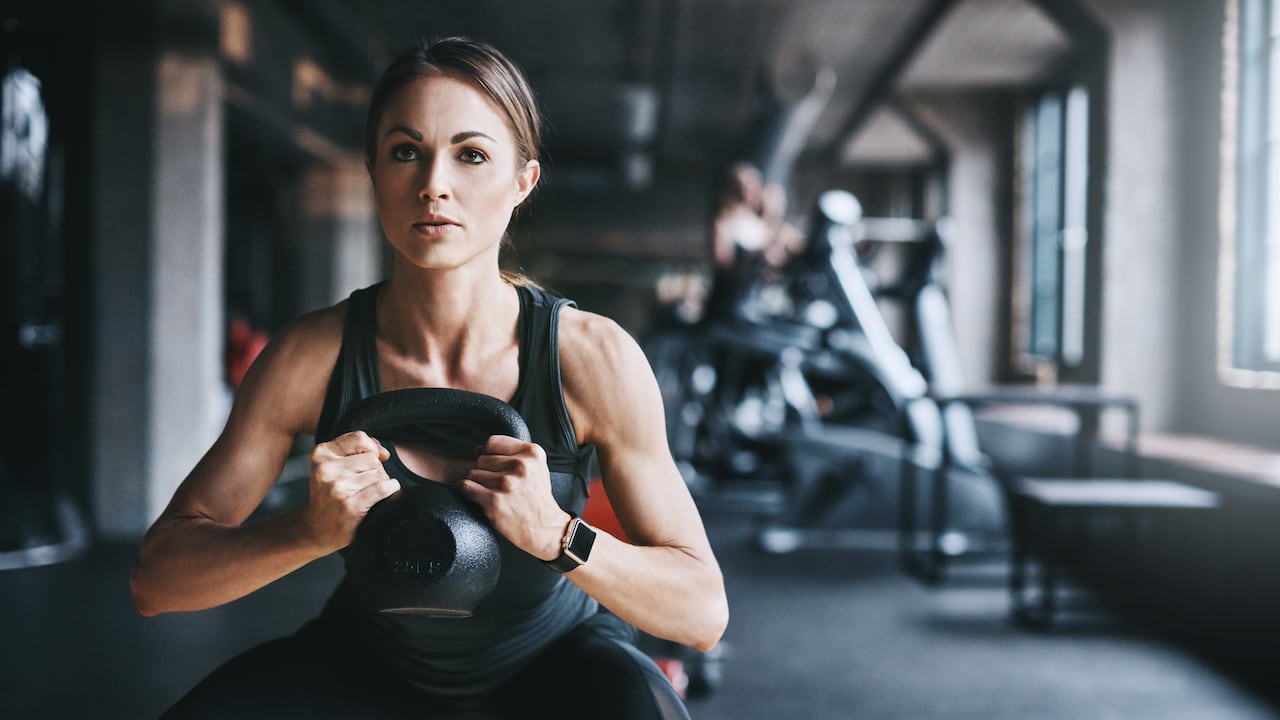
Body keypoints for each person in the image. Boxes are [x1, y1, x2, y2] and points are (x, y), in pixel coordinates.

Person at [130, 36, 728, 719]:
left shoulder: (590, 358)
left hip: (553, 662)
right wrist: (307, 531)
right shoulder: (311, 356)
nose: (432, 183)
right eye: (406, 151)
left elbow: (702, 611)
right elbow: (157, 580)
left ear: (522, 182)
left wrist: (560, 535)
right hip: (367, 662)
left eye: (471, 154)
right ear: (373, 169)